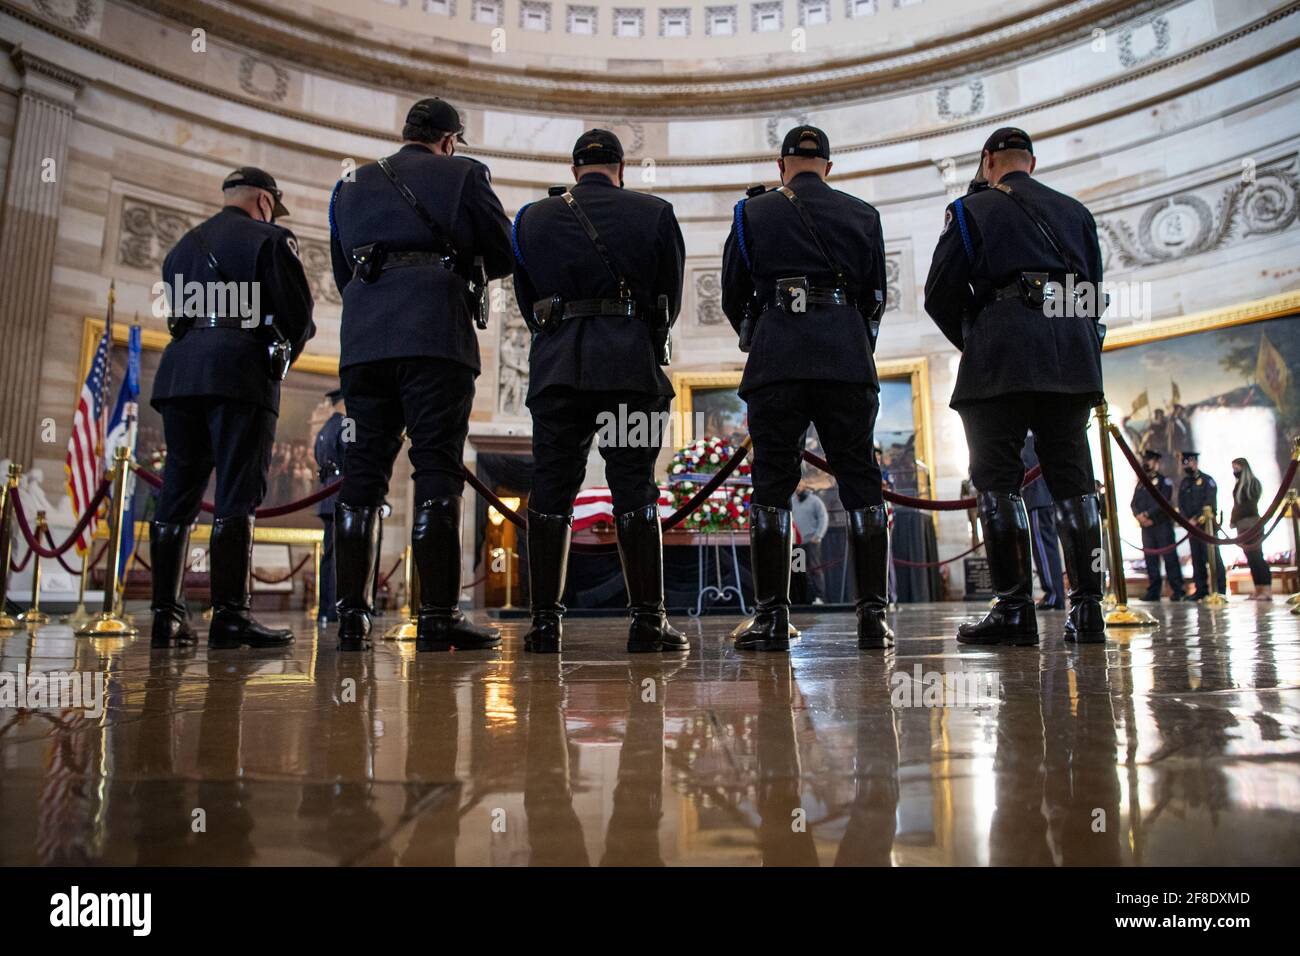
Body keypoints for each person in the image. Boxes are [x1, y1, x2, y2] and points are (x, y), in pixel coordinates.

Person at [328, 97, 513, 651]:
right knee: (436, 467)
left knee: (362, 474)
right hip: (436, 337)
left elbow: (342, 268)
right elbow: (504, 252)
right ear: (450, 141)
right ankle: (437, 616)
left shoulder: (350, 184)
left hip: (366, 342)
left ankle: (351, 619)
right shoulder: (464, 174)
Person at [924, 126, 1106, 645]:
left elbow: (939, 293)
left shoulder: (970, 210)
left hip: (1001, 354)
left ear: (988, 161)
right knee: (1074, 479)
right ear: (1032, 162)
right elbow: (1093, 292)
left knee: (998, 480)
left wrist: (977, 339)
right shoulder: (1075, 212)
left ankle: (1015, 610)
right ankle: (1088, 610)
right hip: (1068, 357)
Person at [510, 129, 687, 654]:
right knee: (635, 486)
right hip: (630, 370)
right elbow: (668, 298)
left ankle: (545, 625)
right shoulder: (654, 212)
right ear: (621, 169)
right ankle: (648, 623)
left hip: (559, 372)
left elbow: (527, 298)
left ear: (574, 170)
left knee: (551, 489)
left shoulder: (532, 218)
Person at [721, 124, 890, 652]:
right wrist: (854, 341)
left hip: (779, 361)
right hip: (846, 359)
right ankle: (873, 619)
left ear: (781, 166)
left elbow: (732, 292)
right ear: (829, 168)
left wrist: (761, 332)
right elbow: (875, 296)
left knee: (772, 484)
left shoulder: (752, 213)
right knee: (860, 479)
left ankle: (772, 618)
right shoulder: (863, 214)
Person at [149, 166, 315, 648]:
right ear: (264, 201)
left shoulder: (183, 247)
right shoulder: (271, 240)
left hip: (182, 375)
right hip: (239, 375)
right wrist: (280, 353)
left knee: (177, 493)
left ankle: (166, 617)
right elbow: (298, 317)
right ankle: (230, 616)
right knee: (237, 493)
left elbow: (178, 316)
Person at [1131, 448, 1185, 601]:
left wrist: (1148, 515)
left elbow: (1163, 502)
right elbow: (1133, 503)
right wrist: (1139, 516)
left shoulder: (1164, 482)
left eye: (1149, 460)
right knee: (1150, 560)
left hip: (1161, 525)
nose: (1146, 463)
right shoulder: (1141, 483)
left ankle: (1178, 590)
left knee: (1169, 558)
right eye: (1145, 460)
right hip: (1146, 527)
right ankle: (1154, 591)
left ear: (1156, 463)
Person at [313, 389, 347, 624]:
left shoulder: (325, 428)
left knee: (329, 553)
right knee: (339, 554)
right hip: (341, 491)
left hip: (326, 492)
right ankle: (336, 607)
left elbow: (317, 456)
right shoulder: (348, 424)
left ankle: (325, 607)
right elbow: (352, 453)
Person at [1021, 432, 1065, 610]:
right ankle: (1055, 593)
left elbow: (1027, 467)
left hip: (1038, 498)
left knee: (1043, 549)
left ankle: (1054, 594)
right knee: (1047, 547)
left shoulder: (1028, 441)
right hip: (1046, 498)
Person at [1177, 450, 1227, 600]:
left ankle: (1219, 590)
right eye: (1184, 463)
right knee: (1197, 558)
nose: (1186, 466)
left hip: (1206, 527)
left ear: (1195, 462)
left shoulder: (1207, 480)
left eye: (1189, 462)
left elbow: (1209, 502)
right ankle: (1201, 590)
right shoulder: (1185, 483)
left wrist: (1197, 518)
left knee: (1213, 558)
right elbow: (1181, 504)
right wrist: (1187, 520)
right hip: (1192, 527)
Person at [1231, 457, 1273, 601]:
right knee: (1251, 558)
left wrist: (1236, 516)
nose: (1235, 471)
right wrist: (1233, 520)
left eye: (1237, 468)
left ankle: (1266, 589)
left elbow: (1248, 505)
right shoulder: (1238, 485)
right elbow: (1237, 505)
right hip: (1242, 525)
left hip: (1252, 523)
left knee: (1257, 557)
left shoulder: (1253, 483)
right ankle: (1258, 588)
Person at [791, 481, 828, 605]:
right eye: (796, 486)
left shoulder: (815, 501)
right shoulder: (792, 501)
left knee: (815, 569)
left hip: (812, 541)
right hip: (796, 542)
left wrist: (818, 535)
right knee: (798, 570)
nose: (797, 488)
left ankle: (819, 597)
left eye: (799, 485)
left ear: (805, 486)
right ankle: (801, 598)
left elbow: (823, 517)